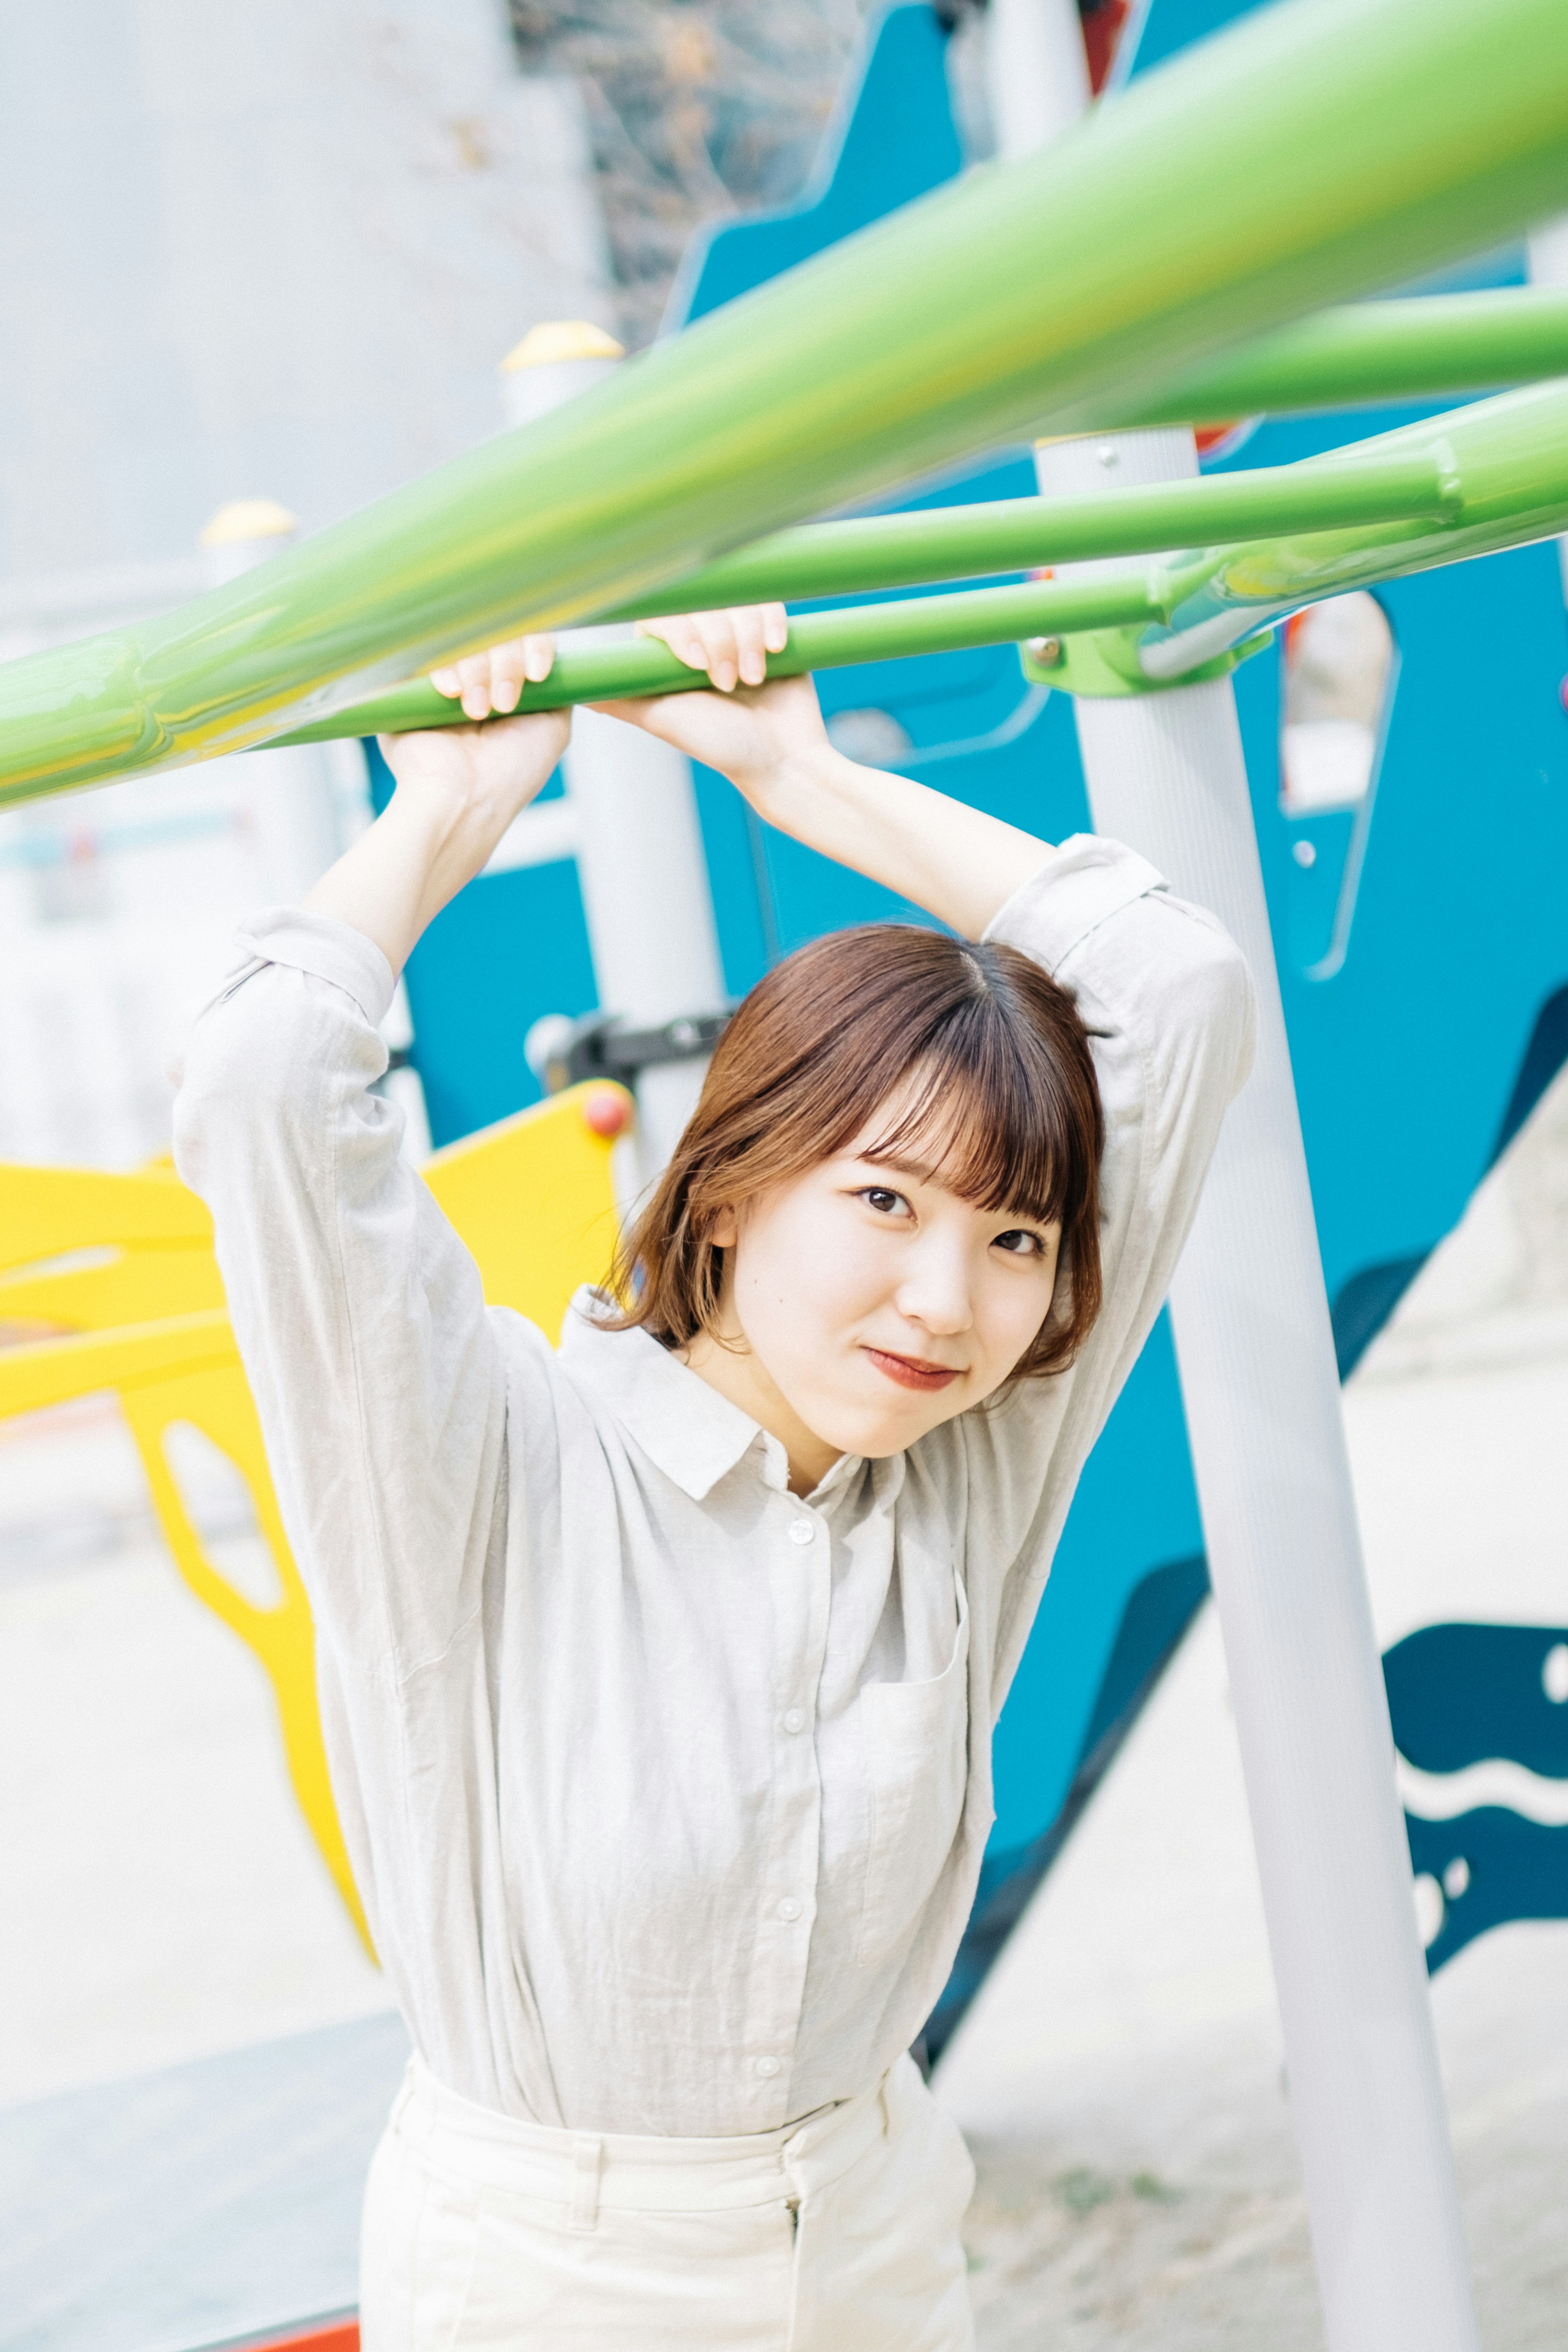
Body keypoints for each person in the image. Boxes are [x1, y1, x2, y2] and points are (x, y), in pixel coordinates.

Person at [172, 601, 1254, 2351]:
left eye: (1016, 1236)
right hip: (555, 2265)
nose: (947, 1299)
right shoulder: (485, 1460)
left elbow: (1179, 989)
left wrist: (796, 771)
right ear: (733, 1188)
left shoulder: (961, 1469)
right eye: (886, 1203)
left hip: (880, 2221)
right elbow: (264, 1080)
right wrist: (450, 812)